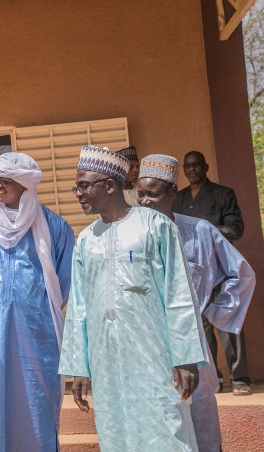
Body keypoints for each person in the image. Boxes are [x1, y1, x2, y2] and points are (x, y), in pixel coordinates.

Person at [59, 145, 207, 451]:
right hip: (106, 360)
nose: (78, 193)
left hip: (155, 357)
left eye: (84, 186)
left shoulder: (155, 226)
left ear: (110, 186)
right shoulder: (86, 239)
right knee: (116, 430)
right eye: (78, 187)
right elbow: (79, 307)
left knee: (166, 427)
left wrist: (185, 356)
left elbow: (179, 293)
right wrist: (79, 367)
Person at [136, 154, 255, 452]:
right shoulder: (130, 235)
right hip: (145, 345)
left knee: (201, 420)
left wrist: (213, 313)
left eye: (152, 194)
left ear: (172, 192)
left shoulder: (199, 231)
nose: (144, 201)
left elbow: (240, 274)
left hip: (193, 343)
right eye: (140, 194)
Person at [0, 152, 74, 451]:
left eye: (5, 179)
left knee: (36, 404)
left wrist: (28, 307)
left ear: (25, 183)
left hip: (37, 334)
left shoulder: (55, 227)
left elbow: (63, 281)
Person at [172, 150, 250, 395]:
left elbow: (236, 229)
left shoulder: (223, 194)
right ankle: (213, 378)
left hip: (219, 267)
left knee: (227, 322)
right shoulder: (179, 199)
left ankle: (240, 380)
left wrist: (205, 233)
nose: (192, 169)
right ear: (184, 170)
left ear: (205, 167)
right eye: (188, 166)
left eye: (197, 165)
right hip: (192, 271)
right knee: (201, 326)